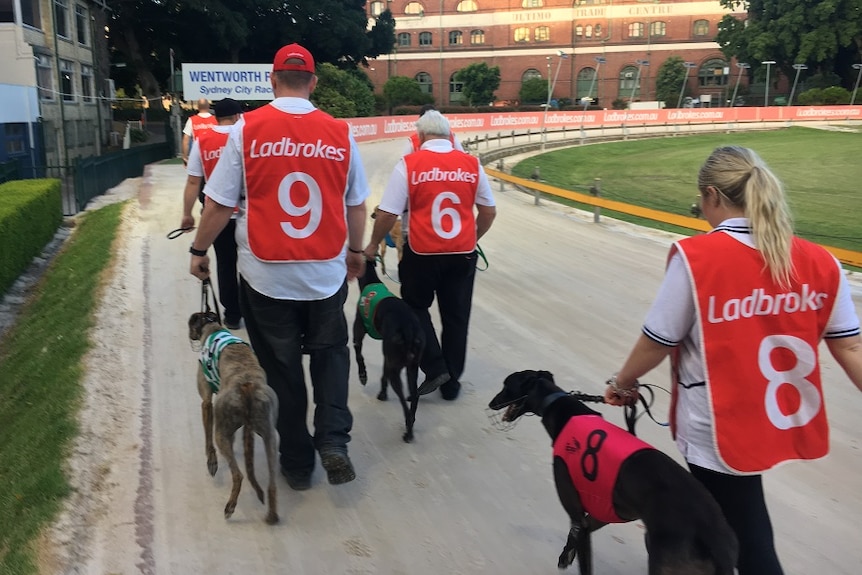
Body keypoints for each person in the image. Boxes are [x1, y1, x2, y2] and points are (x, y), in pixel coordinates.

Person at [604, 146, 862, 575]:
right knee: (725, 522)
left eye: (701, 201)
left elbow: (658, 340)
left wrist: (622, 382)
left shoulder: (698, 257)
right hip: (778, 417)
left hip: (720, 424)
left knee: (742, 537)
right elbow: (851, 348)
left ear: (713, 195)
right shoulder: (821, 260)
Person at [188, 43, 369, 490]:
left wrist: (198, 250)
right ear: (314, 82)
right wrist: (357, 251)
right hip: (325, 273)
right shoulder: (339, 132)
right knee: (330, 357)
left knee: (284, 371)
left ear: (272, 80)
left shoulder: (245, 131)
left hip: (266, 276)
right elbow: (357, 202)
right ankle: (333, 441)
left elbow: (218, 204)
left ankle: (296, 462)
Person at [364, 110, 496, 401]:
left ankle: (435, 366)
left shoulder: (409, 164)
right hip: (462, 253)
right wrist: (473, 238)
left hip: (421, 251)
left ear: (421, 136)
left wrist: (373, 243)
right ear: (450, 135)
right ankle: (451, 384)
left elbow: (387, 213)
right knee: (457, 318)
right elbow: (489, 212)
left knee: (414, 308)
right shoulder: (472, 163)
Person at [180, 97, 243, 329]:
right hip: (246, 214)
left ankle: (233, 315)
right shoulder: (246, 138)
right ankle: (254, 310)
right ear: (237, 116)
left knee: (226, 263)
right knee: (250, 264)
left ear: (216, 118)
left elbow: (193, 182)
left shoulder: (203, 140)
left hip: (217, 216)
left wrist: (187, 214)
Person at [182, 98, 217, 165]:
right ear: (208, 106)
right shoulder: (215, 120)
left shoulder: (192, 120)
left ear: (198, 107)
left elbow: (186, 139)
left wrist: (185, 156)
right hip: (213, 153)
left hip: (198, 153)